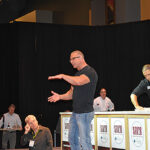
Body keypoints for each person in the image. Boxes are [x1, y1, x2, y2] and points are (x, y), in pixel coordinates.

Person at [48, 50, 98, 150]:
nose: (71, 61)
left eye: (73, 59)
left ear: (81, 58)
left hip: (85, 113)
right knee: (72, 139)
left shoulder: (90, 72)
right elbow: (71, 94)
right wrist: (60, 97)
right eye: (70, 59)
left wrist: (62, 76)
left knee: (85, 141)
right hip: (76, 113)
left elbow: (79, 82)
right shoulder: (76, 75)